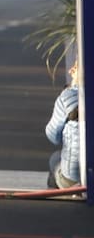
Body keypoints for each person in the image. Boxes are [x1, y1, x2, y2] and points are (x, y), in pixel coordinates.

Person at [45, 61, 82, 190]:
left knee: (55, 158)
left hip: (73, 178)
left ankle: (60, 193)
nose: (70, 70)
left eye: (76, 67)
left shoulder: (68, 96)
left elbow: (53, 136)